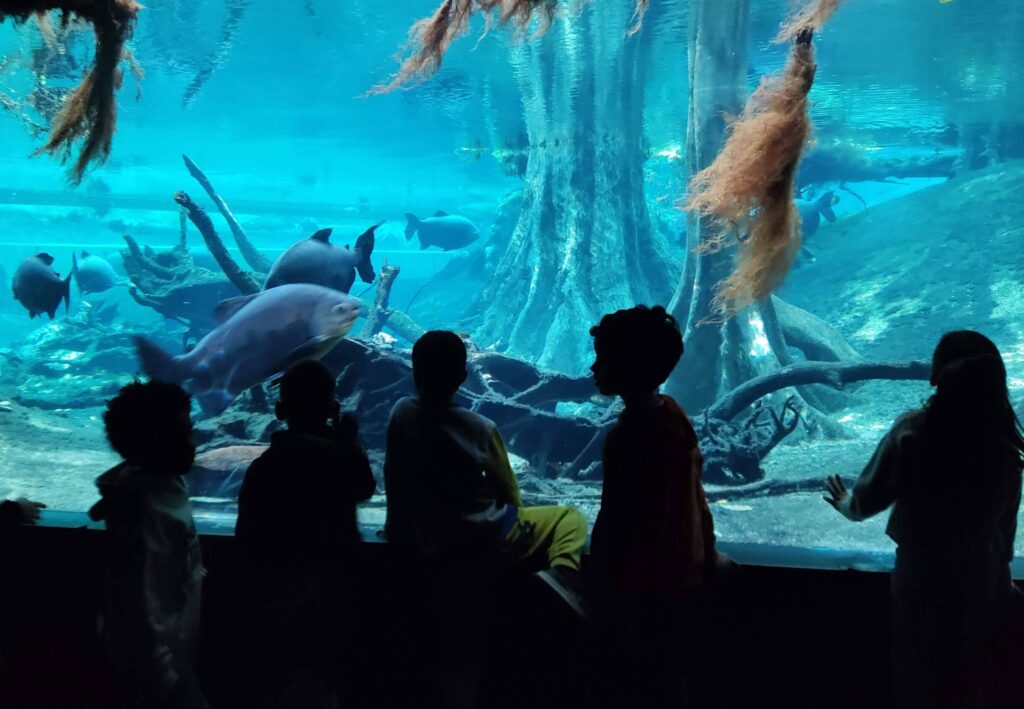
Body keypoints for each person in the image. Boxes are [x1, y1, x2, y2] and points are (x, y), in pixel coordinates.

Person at [825, 330, 1024, 708]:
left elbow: (867, 501)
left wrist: (846, 503)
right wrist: (1004, 587)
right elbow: (1004, 538)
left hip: (921, 578)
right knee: (974, 681)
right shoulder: (1004, 448)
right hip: (983, 582)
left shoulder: (912, 433)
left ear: (937, 375)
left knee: (918, 677)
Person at [383, 330, 588, 610]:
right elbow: (509, 491)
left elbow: (393, 472)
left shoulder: (401, 412)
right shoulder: (482, 428)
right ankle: (563, 573)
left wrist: (394, 527)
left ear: (414, 371)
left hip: (423, 536)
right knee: (570, 516)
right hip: (483, 536)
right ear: (463, 377)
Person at [588, 305, 728, 707]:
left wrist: (601, 577)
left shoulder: (626, 437)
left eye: (604, 358)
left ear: (630, 368)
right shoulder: (673, 413)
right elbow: (695, 494)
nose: (594, 368)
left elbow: (616, 519)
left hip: (642, 586)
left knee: (641, 678)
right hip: (683, 572)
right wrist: (709, 551)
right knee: (671, 673)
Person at [235, 359, 375, 708]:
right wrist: (349, 440)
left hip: (276, 598)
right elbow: (364, 488)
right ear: (332, 407)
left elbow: (247, 538)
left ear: (280, 411)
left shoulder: (265, 466)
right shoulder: (339, 458)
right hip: (334, 597)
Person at [88, 380, 208, 709]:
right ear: (154, 444)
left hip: (173, 655)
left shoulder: (161, 484)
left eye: (189, 432)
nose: (192, 444)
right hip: (157, 673)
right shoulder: (148, 513)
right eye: (181, 436)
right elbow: (143, 604)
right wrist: (169, 680)